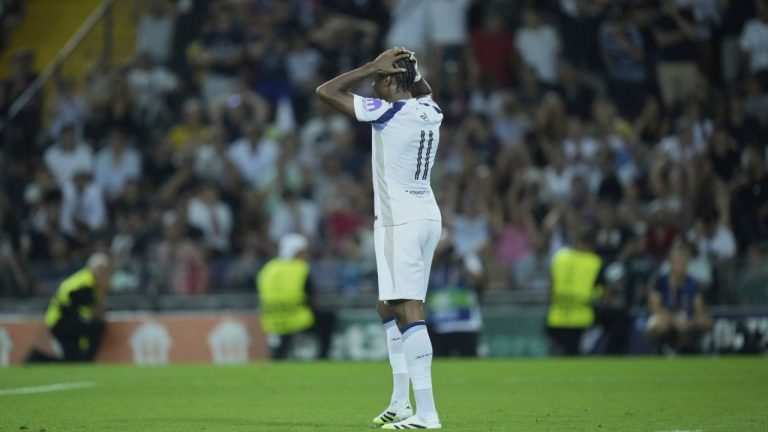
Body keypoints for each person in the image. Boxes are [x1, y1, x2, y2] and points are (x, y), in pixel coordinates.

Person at [316, 47, 443, 429]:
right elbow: (422, 89)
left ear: (390, 81)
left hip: (398, 221)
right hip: (427, 216)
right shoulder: (431, 111)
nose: (373, 85)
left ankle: (427, 413)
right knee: (387, 306)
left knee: (407, 308)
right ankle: (400, 401)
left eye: (378, 80)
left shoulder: (388, 113)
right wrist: (410, 68)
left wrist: (371, 64)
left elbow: (325, 91)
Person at [256, 233, 335, 360]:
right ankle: (323, 357)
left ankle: (277, 360)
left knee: (282, 338)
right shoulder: (300, 268)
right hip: (296, 317)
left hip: (272, 319)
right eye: (303, 252)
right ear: (295, 252)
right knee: (328, 318)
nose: (306, 256)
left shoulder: (268, 268)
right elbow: (311, 296)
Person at [28, 253, 110, 362]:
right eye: (102, 270)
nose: (104, 274)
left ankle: (37, 358)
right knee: (97, 327)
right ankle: (88, 360)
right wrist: (103, 289)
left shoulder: (85, 279)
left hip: (62, 319)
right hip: (61, 320)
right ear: (92, 269)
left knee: (71, 357)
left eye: (106, 271)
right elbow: (97, 314)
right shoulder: (86, 284)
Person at [646, 239, 713, 354]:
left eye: (684, 260)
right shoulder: (660, 281)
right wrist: (674, 320)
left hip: (687, 319)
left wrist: (690, 322)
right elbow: (655, 308)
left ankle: (692, 349)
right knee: (660, 324)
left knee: (707, 322)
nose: (681, 264)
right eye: (678, 260)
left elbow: (700, 310)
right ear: (671, 262)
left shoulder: (693, 283)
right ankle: (661, 349)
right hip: (667, 318)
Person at [546, 227, 603, 356]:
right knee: (575, 354)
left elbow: (551, 285)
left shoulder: (559, 258)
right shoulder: (594, 261)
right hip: (582, 317)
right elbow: (602, 290)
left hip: (556, 316)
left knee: (565, 353)